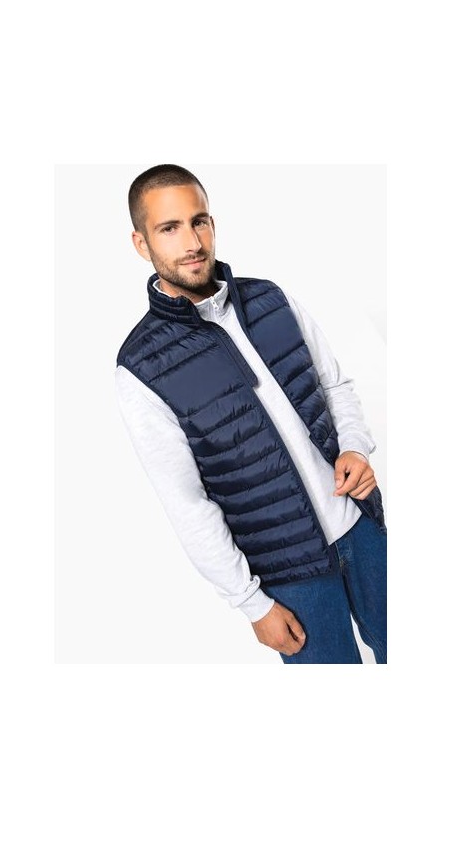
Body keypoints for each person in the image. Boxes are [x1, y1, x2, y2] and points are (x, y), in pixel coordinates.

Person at [115, 165, 388, 664]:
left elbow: (334, 385)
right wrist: (252, 604)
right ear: (141, 243)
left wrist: (354, 446)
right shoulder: (141, 367)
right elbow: (188, 504)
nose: (192, 242)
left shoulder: (270, 300)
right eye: (169, 228)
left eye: (199, 222)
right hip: (288, 575)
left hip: (361, 528)